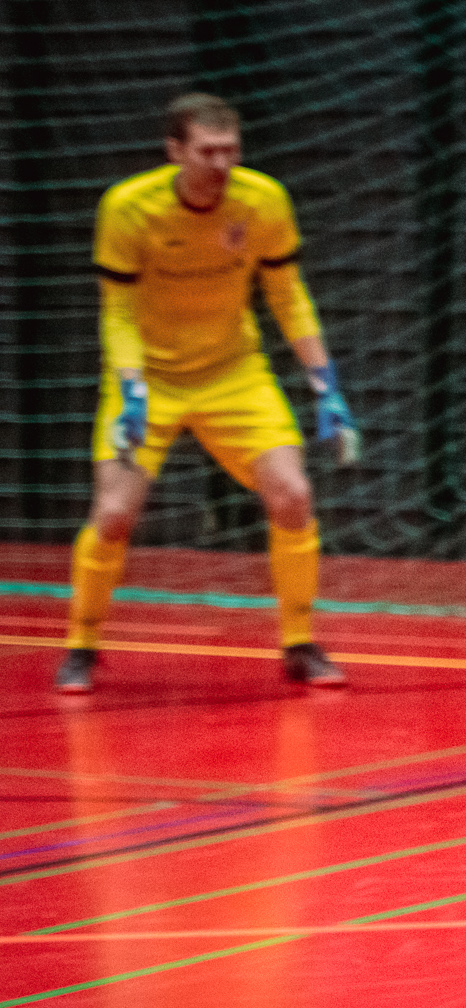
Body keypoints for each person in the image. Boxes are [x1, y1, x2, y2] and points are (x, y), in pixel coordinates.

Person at [57, 92, 358, 694]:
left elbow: (288, 296)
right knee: (114, 513)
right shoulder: (129, 208)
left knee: (293, 495)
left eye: (230, 151)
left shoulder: (263, 200)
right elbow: (115, 312)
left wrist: (326, 386)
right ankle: (81, 646)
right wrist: (132, 389)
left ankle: (299, 642)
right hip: (150, 379)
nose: (220, 164)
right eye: (206, 151)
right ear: (175, 151)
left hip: (234, 372)